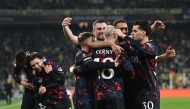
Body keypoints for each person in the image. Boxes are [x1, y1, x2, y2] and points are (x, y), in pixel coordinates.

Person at [113, 20, 171, 109]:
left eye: (134, 31)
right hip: (134, 93)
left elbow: (140, 45)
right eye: (132, 31)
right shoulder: (134, 48)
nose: (131, 33)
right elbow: (134, 42)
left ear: (143, 33)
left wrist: (123, 36)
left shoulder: (150, 47)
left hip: (148, 93)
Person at [71, 32, 121, 109]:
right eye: (93, 41)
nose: (95, 43)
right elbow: (93, 65)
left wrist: (74, 70)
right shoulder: (81, 54)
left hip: (89, 95)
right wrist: (112, 64)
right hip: (82, 96)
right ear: (88, 43)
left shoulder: (89, 55)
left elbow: (79, 69)